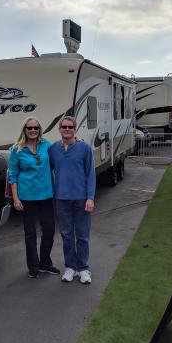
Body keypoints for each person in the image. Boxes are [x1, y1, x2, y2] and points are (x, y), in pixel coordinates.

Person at [9, 117, 60, 278]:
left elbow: (60, 153)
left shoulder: (47, 145)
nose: (33, 131)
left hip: (46, 195)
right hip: (27, 197)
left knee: (49, 230)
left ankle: (45, 263)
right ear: (24, 130)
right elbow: (13, 175)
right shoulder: (17, 150)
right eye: (29, 128)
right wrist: (16, 199)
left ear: (40, 130)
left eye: (36, 128)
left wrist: (76, 140)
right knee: (30, 233)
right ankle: (33, 266)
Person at [49, 116, 96, 284]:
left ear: (75, 129)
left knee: (82, 236)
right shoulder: (53, 149)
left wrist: (90, 197)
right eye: (64, 126)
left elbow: (91, 174)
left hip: (81, 199)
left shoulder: (84, 148)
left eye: (70, 127)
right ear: (59, 129)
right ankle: (70, 267)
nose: (67, 129)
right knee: (66, 235)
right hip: (61, 199)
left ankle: (83, 268)